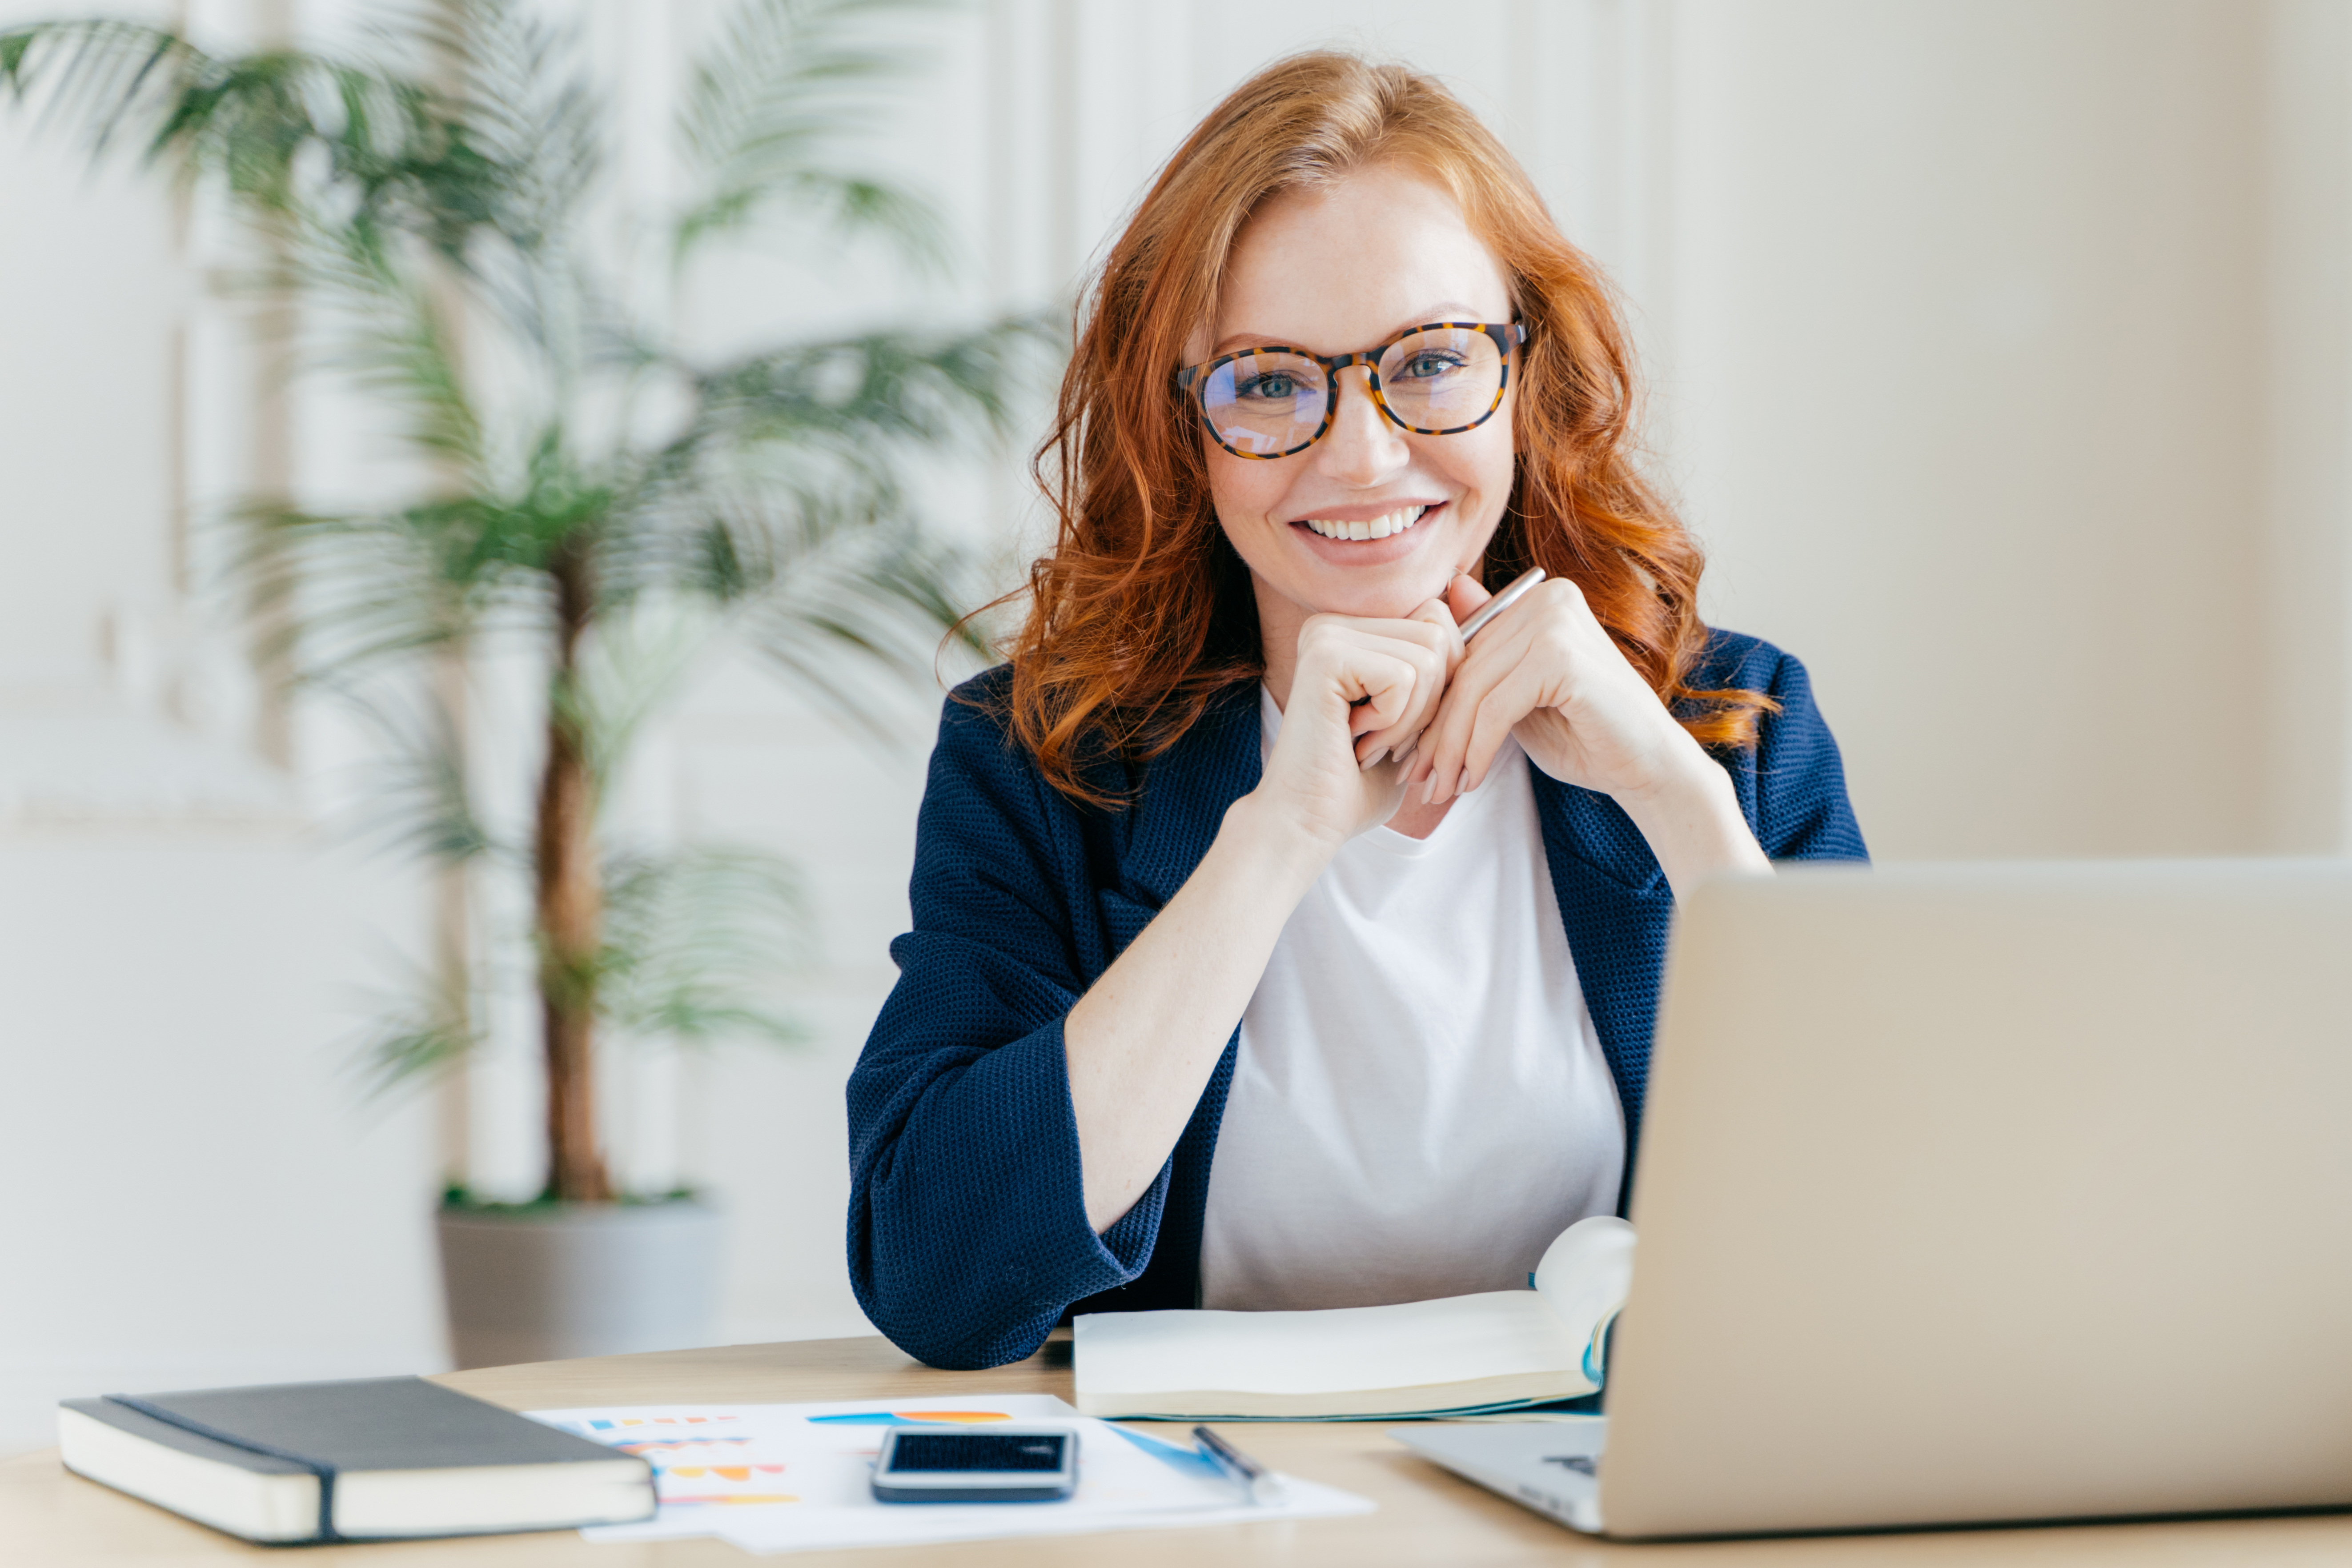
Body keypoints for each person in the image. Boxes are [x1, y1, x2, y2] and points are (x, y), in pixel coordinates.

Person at [846, 52, 1866, 1371]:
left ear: (1526, 370)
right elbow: (940, 1281)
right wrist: (1274, 841)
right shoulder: (1039, 757)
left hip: (1599, 1502)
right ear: (1182, 426)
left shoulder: (1732, 720)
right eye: (1268, 382)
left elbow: (1894, 1227)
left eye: (1432, 362)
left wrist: (1676, 797)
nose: (1362, 454)